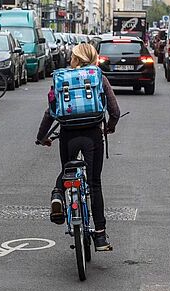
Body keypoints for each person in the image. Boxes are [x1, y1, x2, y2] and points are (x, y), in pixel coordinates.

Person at [35, 43, 120, 251]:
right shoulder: (98, 76)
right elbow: (115, 110)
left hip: (68, 134)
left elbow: (50, 111)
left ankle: (57, 196)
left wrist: (41, 137)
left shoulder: (62, 77)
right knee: (94, 184)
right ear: (92, 57)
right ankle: (100, 237)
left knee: (67, 172)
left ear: (74, 58)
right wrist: (110, 126)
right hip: (92, 134)